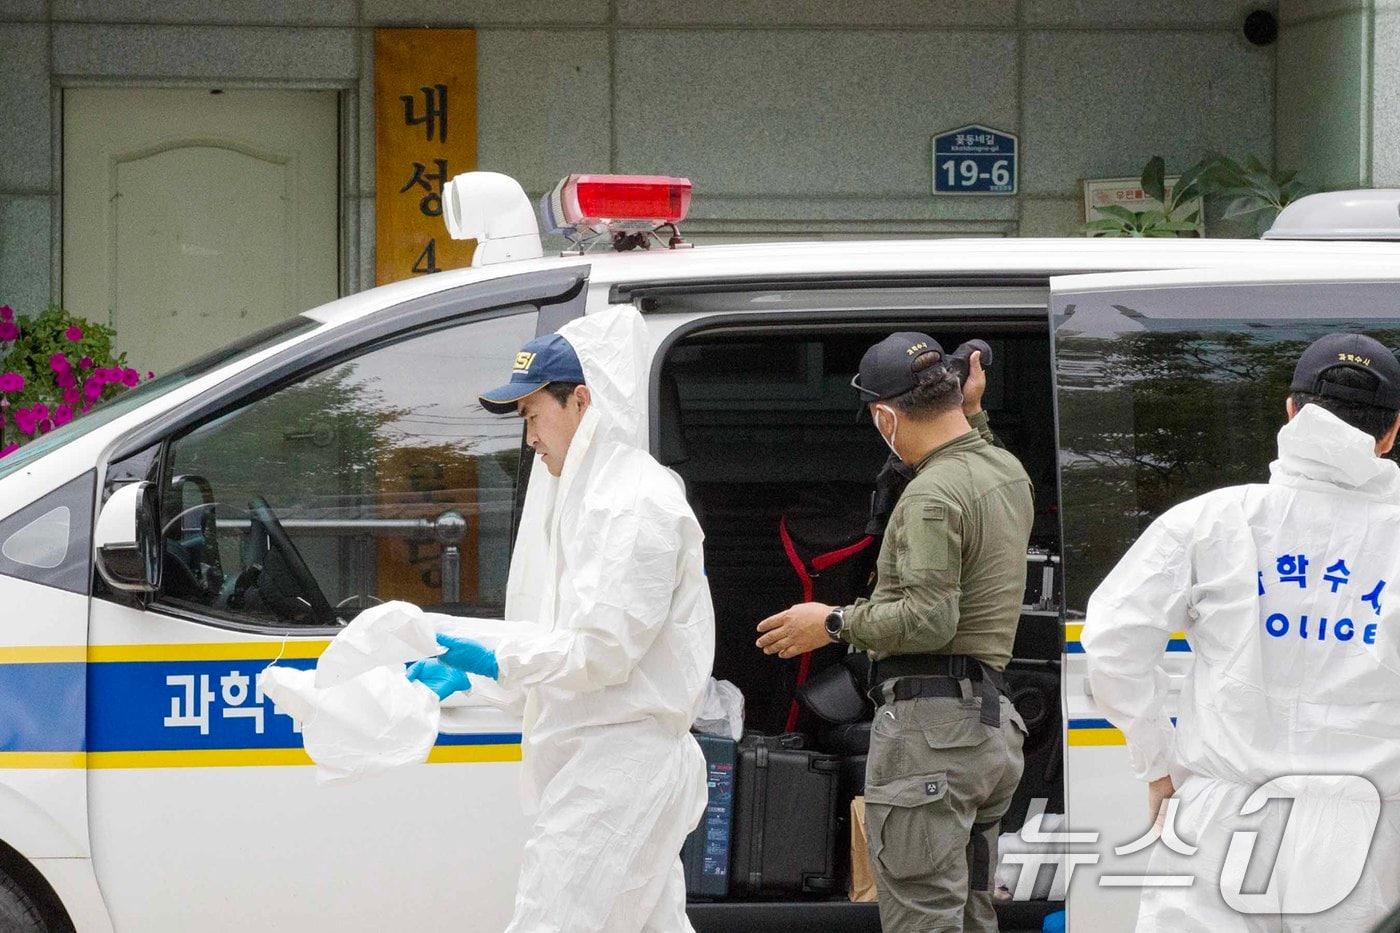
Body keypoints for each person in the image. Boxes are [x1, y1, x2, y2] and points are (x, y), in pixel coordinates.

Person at [408, 307, 715, 933]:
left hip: (617, 768)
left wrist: (496, 659)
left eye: (532, 415)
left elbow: (601, 653)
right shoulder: (586, 501)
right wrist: (480, 679)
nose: (529, 439)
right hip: (606, 760)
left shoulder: (631, 505)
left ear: (581, 401)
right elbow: (561, 638)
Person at [1083, 333, 1400, 931]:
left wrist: (1158, 763)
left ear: (1290, 411)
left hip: (1221, 818)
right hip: (1371, 831)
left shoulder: (1213, 519)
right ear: (1391, 432)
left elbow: (1111, 642)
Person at [755, 332, 1034, 932]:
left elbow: (929, 619)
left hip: (931, 737)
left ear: (884, 415)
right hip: (985, 730)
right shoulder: (1003, 471)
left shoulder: (930, 496)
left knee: (921, 916)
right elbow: (974, 448)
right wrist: (974, 411)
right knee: (969, 910)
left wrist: (831, 622)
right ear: (954, 395)